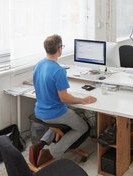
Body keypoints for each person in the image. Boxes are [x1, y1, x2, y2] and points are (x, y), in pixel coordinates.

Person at [29, 35, 97, 167]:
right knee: (83, 127)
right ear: (59, 49)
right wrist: (83, 100)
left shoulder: (38, 65)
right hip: (54, 113)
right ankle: (52, 153)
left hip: (39, 111)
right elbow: (64, 98)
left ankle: (41, 143)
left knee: (64, 116)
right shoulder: (58, 70)